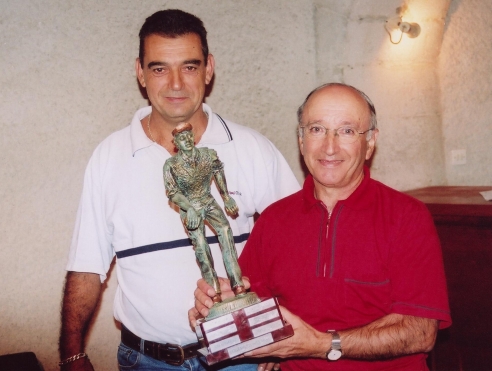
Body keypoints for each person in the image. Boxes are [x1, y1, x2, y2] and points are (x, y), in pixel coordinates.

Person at [59, 9, 299, 371]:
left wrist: (279, 329)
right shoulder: (109, 157)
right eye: (159, 68)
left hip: (243, 356)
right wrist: (72, 356)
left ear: (208, 68)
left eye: (189, 66)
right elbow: (86, 268)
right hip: (147, 360)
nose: (175, 84)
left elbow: (299, 244)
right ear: (140, 72)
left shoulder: (252, 148)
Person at [192, 83, 451, 371]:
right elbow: (253, 310)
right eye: (317, 129)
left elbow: (420, 332)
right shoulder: (274, 219)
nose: (330, 146)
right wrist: (219, 305)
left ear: (371, 142)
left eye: (347, 131)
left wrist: (322, 344)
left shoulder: (407, 217)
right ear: (301, 140)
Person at [164, 123, 245, 301]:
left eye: (189, 136)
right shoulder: (171, 165)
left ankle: (237, 283)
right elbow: (172, 193)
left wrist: (226, 198)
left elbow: (218, 172)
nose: (187, 140)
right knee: (201, 244)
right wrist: (189, 209)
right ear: (176, 143)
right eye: (182, 138)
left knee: (225, 230)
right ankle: (214, 290)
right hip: (189, 207)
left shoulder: (208, 155)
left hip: (208, 201)